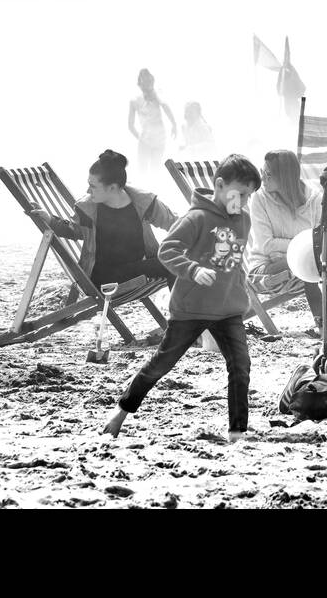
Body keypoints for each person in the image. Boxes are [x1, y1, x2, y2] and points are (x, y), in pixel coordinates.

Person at [105, 154, 261, 441]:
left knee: (240, 366)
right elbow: (168, 251)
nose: (243, 202)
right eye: (239, 194)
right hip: (190, 309)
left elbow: (233, 261)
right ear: (219, 184)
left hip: (228, 310)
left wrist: (240, 289)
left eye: (248, 196)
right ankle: (122, 410)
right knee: (161, 363)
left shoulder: (244, 219)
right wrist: (193, 269)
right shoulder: (196, 218)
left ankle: (237, 432)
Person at [29, 150, 177, 291]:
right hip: (103, 277)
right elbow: (74, 231)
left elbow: (175, 223)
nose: (88, 191)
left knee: (177, 260)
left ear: (112, 188)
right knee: (173, 263)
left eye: (92, 186)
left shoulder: (143, 202)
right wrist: (49, 219)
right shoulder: (88, 209)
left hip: (135, 267)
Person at [245, 150, 324, 329]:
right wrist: (302, 247)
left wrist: (302, 250)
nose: (262, 179)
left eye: (268, 174)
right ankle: (323, 325)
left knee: (319, 265)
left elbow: (320, 241)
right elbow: (266, 245)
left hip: (303, 266)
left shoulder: (314, 199)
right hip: (264, 270)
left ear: (286, 177)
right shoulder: (259, 198)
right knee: (310, 268)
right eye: (261, 171)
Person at [128, 69, 178, 175]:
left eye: (149, 82)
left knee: (156, 166)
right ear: (139, 84)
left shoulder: (157, 95)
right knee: (142, 168)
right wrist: (140, 137)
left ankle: (154, 186)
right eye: (144, 83)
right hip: (145, 137)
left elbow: (165, 106)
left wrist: (174, 124)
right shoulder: (135, 100)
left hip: (159, 137)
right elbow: (130, 125)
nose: (147, 86)